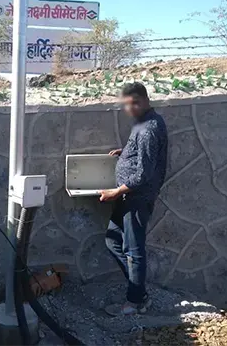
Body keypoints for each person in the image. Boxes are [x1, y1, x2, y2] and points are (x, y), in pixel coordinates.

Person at [99, 82, 168, 316]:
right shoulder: (144, 124)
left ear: (144, 101)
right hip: (129, 196)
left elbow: (143, 174)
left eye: (132, 104)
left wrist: (116, 192)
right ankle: (138, 292)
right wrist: (126, 152)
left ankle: (134, 303)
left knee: (134, 250)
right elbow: (143, 154)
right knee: (112, 240)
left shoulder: (148, 128)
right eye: (126, 105)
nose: (129, 109)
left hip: (136, 197)